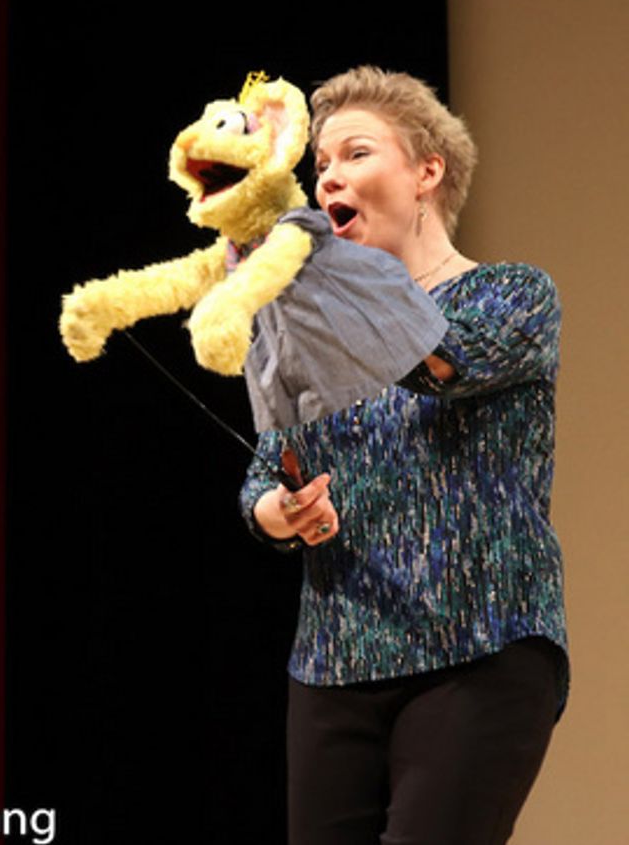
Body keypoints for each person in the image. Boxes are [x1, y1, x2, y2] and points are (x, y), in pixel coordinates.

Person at [240, 67, 568, 844]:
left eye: (355, 154)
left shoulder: (512, 294)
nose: (329, 179)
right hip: (334, 660)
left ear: (427, 171)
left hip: (479, 645)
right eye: (320, 166)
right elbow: (261, 479)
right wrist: (285, 510)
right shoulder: (314, 332)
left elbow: (440, 361)